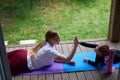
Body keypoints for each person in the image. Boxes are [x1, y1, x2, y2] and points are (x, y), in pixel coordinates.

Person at [7, 29, 79, 75]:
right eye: (56, 39)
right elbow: (67, 59)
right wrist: (75, 46)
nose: (59, 40)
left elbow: (55, 57)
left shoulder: (46, 43)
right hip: (22, 61)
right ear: (50, 40)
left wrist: (68, 61)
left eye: (59, 38)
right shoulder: (49, 50)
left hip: (22, 53)